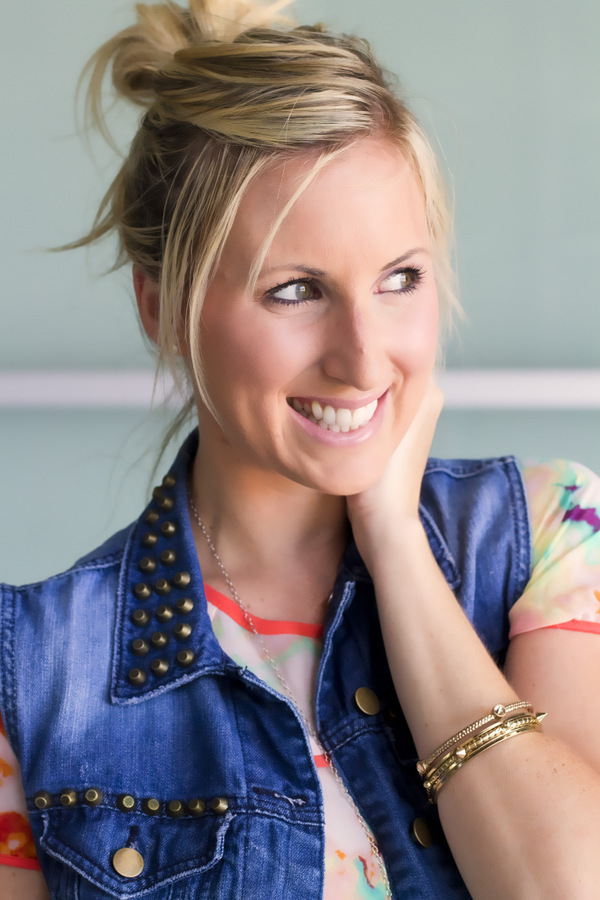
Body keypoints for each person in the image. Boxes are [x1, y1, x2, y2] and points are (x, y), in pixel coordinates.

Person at [2, 1, 600, 897]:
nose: (363, 357)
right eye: (294, 290)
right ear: (162, 308)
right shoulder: (29, 672)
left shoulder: (548, 533)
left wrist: (396, 543)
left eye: (400, 278)